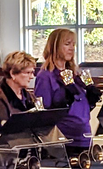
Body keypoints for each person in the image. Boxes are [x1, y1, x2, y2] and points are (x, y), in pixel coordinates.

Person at [34, 29, 98, 158]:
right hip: (62, 141)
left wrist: (91, 100)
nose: (71, 48)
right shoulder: (46, 76)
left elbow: (80, 108)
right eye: (67, 44)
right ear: (55, 46)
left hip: (84, 137)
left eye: (73, 45)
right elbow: (43, 113)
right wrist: (62, 102)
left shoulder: (75, 75)